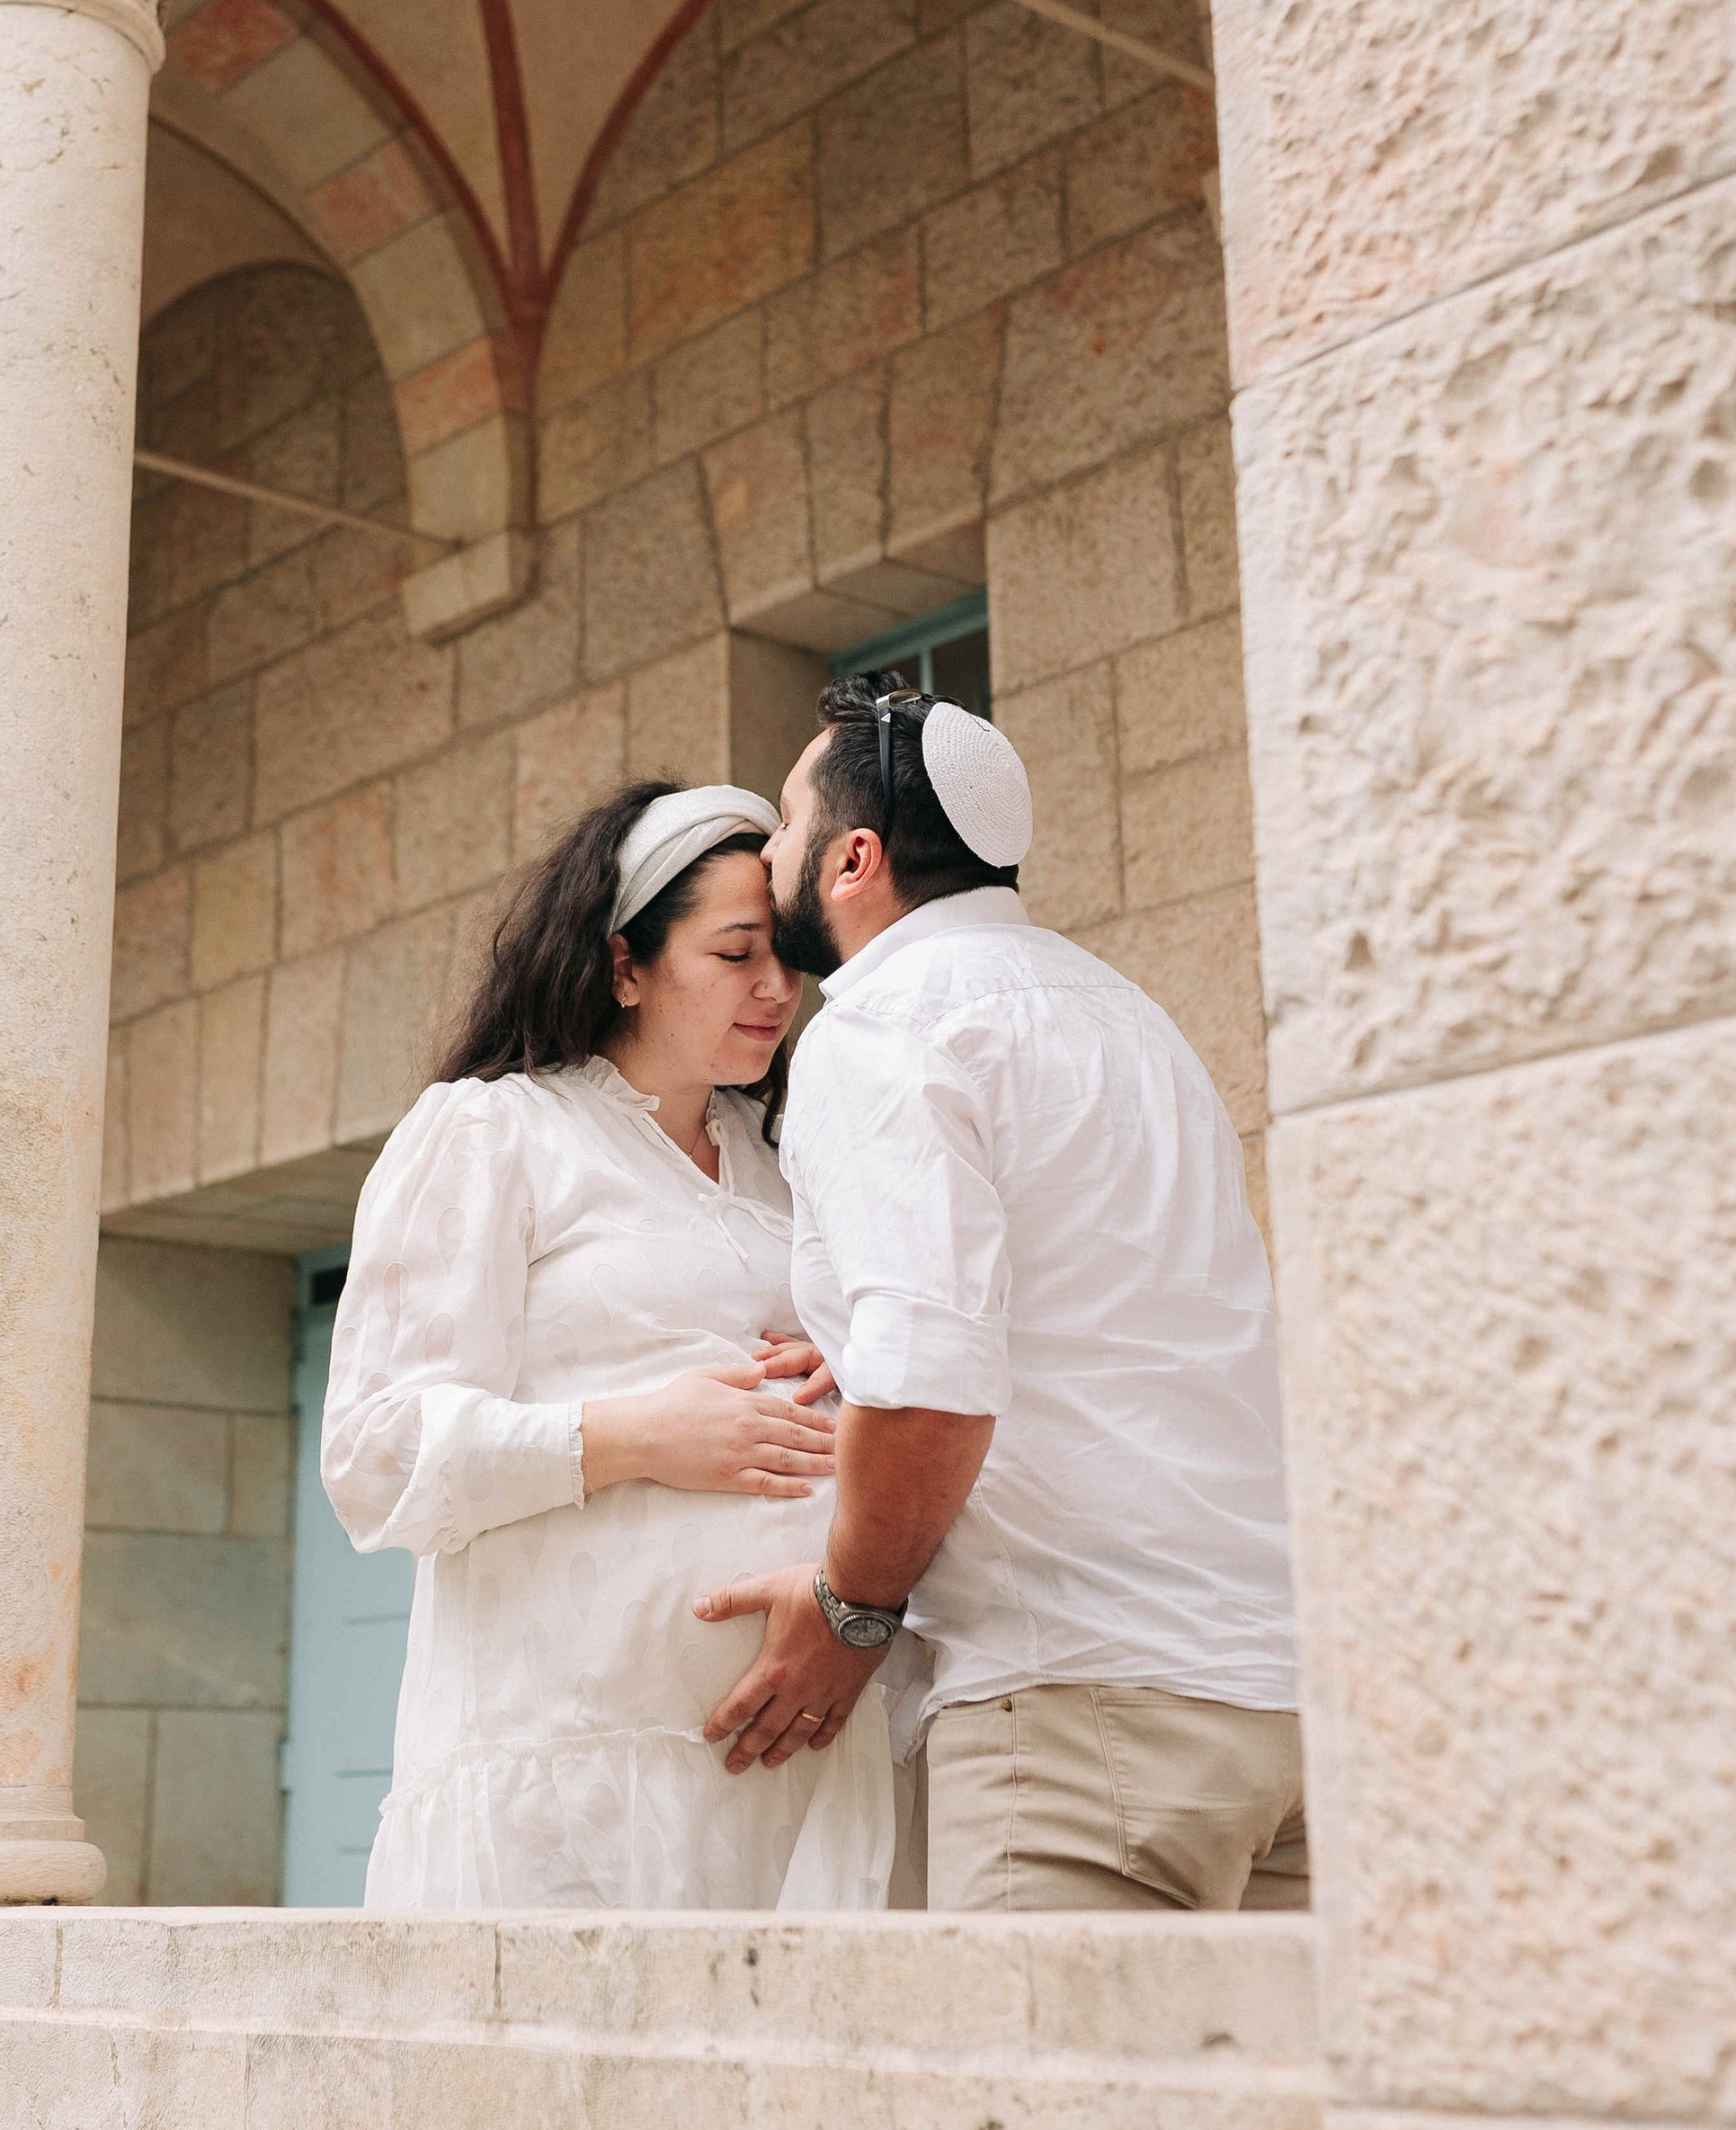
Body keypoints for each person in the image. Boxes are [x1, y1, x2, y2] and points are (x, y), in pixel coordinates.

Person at [692, 679, 1304, 1914]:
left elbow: (932, 1379)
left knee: (1039, 2057)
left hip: (1087, 1718)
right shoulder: (1130, 1018)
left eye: (790, 822)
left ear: (854, 859)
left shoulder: (879, 1029)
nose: (771, 852)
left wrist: (850, 1615)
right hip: (1287, 1702)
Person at [320, 777, 896, 1912]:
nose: (777, 989)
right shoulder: (494, 1133)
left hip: (802, 1756)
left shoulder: (788, 1162)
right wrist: (628, 1437)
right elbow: (374, 1457)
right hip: (574, 1774)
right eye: (734, 954)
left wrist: (852, 1355)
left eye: (787, 954)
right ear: (624, 964)